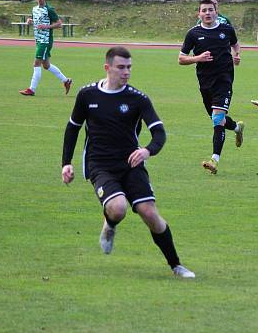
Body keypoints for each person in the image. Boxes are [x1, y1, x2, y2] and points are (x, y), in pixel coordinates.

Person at [61, 46, 195, 279]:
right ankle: (110, 224)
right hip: (100, 165)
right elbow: (73, 128)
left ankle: (176, 266)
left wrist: (147, 151)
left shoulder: (137, 99)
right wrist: (66, 163)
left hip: (131, 165)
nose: (126, 72)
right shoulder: (87, 95)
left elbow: (159, 133)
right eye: (121, 67)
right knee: (118, 208)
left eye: (129, 68)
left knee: (150, 214)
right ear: (107, 68)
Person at [178, 0, 245, 175]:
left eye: (210, 10)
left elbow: (235, 45)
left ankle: (214, 160)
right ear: (199, 14)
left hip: (224, 80)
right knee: (219, 119)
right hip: (205, 83)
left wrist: (236, 55)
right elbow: (181, 58)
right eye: (204, 10)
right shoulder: (193, 33)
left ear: (217, 12)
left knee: (217, 119)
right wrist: (197, 58)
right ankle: (237, 128)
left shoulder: (226, 29)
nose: (207, 13)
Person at [19, 0, 72, 97]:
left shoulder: (49, 9)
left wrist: (46, 26)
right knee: (46, 65)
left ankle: (31, 89)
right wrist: (29, 21)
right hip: (38, 40)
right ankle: (66, 80)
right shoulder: (34, 9)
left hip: (45, 41)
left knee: (36, 63)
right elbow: (35, 20)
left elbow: (59, 24)